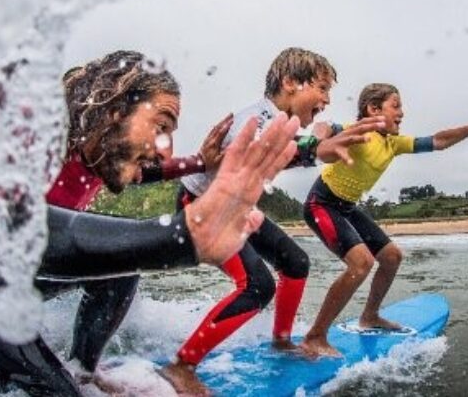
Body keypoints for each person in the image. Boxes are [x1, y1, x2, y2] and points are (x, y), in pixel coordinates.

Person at [0, 50, 300, 397]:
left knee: (122, 270)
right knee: (57, 392)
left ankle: (83, 368)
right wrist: (182, 235)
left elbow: (148, 172)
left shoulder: (98, 149)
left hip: (25, 271)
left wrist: (200, 163)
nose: (164, 147)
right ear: (113, 107)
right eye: (161, 124)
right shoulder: (34, 128)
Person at [163, 48, 386, 394]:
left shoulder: (282, 123)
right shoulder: (255, 119)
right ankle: (181, 366)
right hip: (202, 206)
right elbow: (257, 149)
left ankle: (281, 341)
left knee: (295, 262)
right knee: (257, 285)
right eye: (322, 88)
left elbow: (284, 150)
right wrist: (314, 149)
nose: (327, 99)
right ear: (291, 83)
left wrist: (315, 146)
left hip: (235, 207)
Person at [299, 83, 468, 357]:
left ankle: (369, 316)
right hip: (321, 203)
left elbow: (439, 141)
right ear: (373, 109)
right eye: (396, 106)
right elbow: (324, 126)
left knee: (392, 256)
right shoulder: (359, 130)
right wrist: (315, 142)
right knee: (361, 263)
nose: (402, 113)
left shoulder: (392, 143)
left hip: (346, 206)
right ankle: (315, 336)